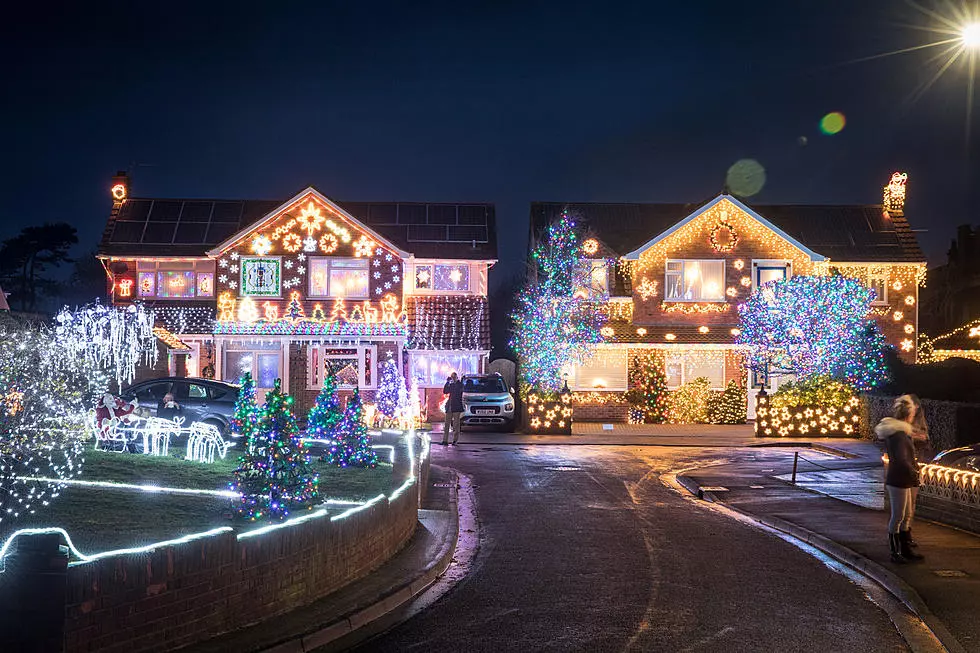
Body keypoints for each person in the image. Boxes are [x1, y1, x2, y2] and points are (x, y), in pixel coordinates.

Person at [875, 395, 925, 563]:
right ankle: (896, 552)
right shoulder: (899, 435)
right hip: (899, 478)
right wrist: (914, 472)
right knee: (898, 515)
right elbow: (903, 459)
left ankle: (904, 549)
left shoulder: (900, 433)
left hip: (902, 477)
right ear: (908, 415)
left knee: (905, 514)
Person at [906, 394, 930, 548]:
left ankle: (908, 531)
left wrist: (916, 435)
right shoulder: (899, 425)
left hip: (915, 466)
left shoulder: (920, 423)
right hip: (905, 467)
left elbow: (925, 437)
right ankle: (902, 533)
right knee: (905, 503)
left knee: (912, 502)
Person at [441, 372, 464, 445]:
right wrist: (447, 382)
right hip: (449, 407)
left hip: (456, 407)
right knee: (447, 424)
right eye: (452, 377)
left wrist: (454, 383)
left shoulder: (459, 384)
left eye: (454, 377)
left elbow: (457, 391)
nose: (453, 379)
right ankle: (445, 440)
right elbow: (445, 391)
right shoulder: (451, 384)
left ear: (457, 377)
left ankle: (455, 440)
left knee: (456, 425)